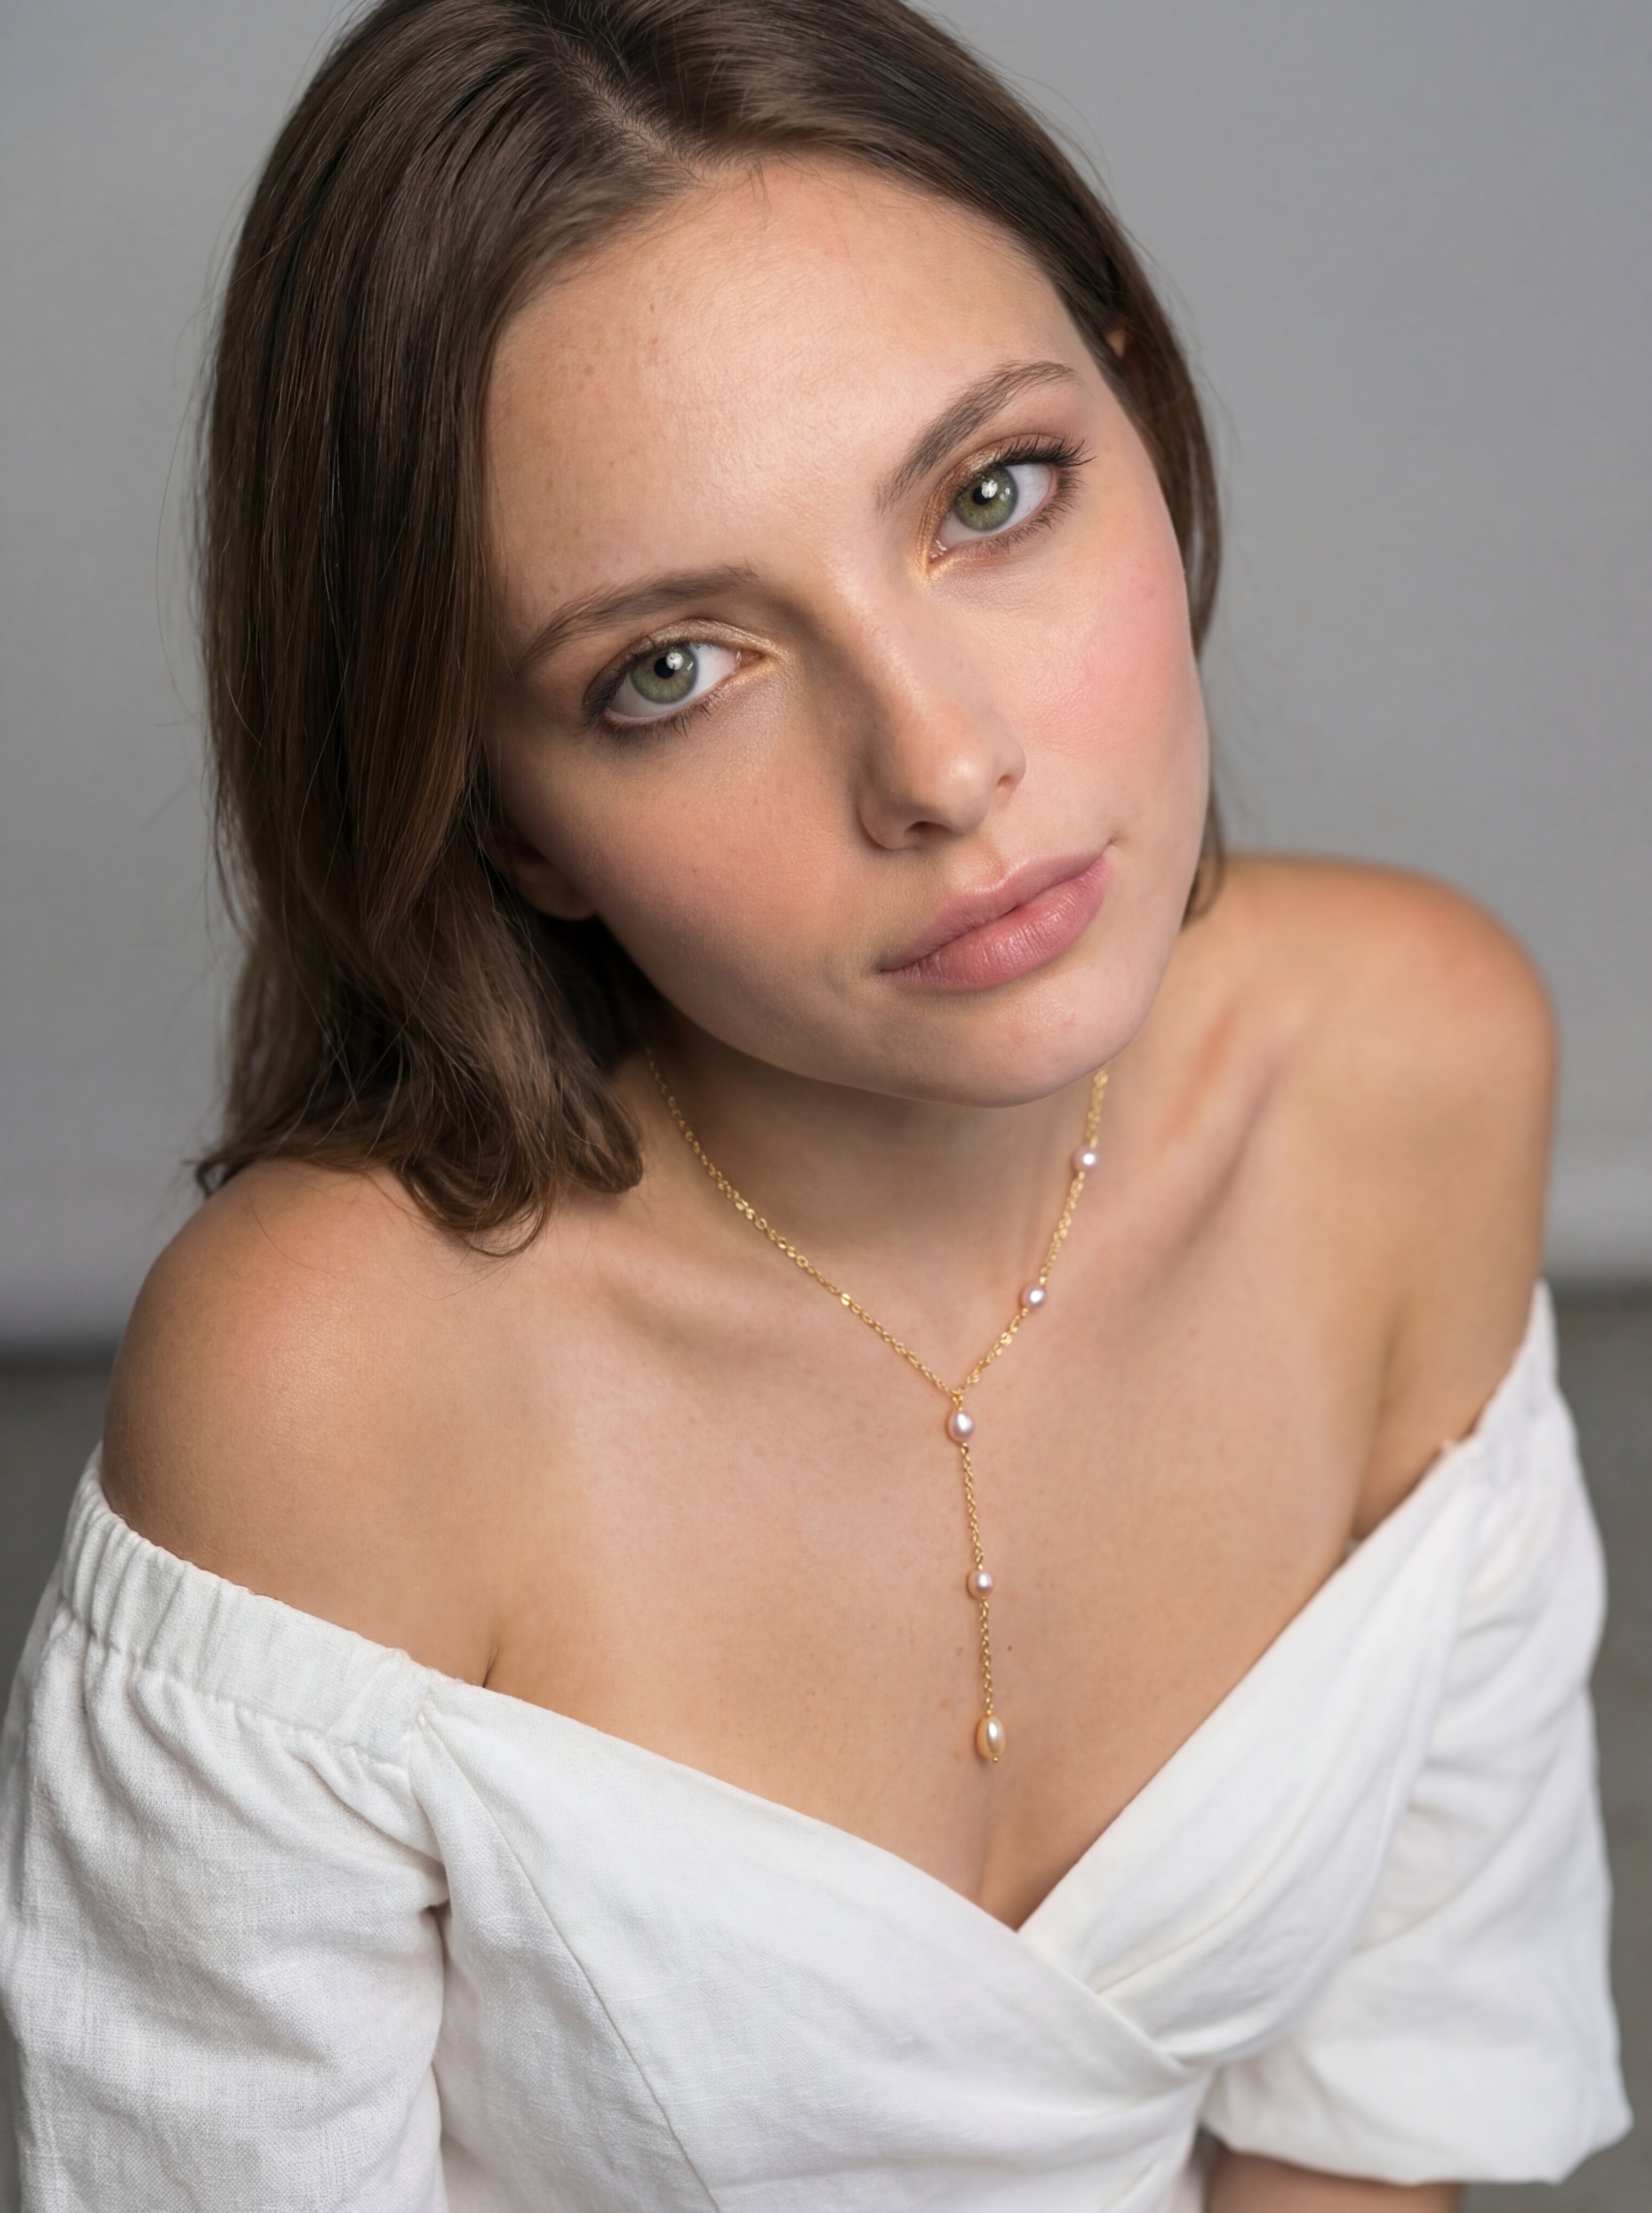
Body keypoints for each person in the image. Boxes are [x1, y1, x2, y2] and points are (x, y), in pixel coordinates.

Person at [0, 0, 1629, 2205]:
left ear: (1140, 412)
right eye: (668, 670)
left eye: (989, 495)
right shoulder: (327, 1391)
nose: (941, 767)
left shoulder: (1407, 1067)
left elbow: (1376, 2104)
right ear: (503, 819)